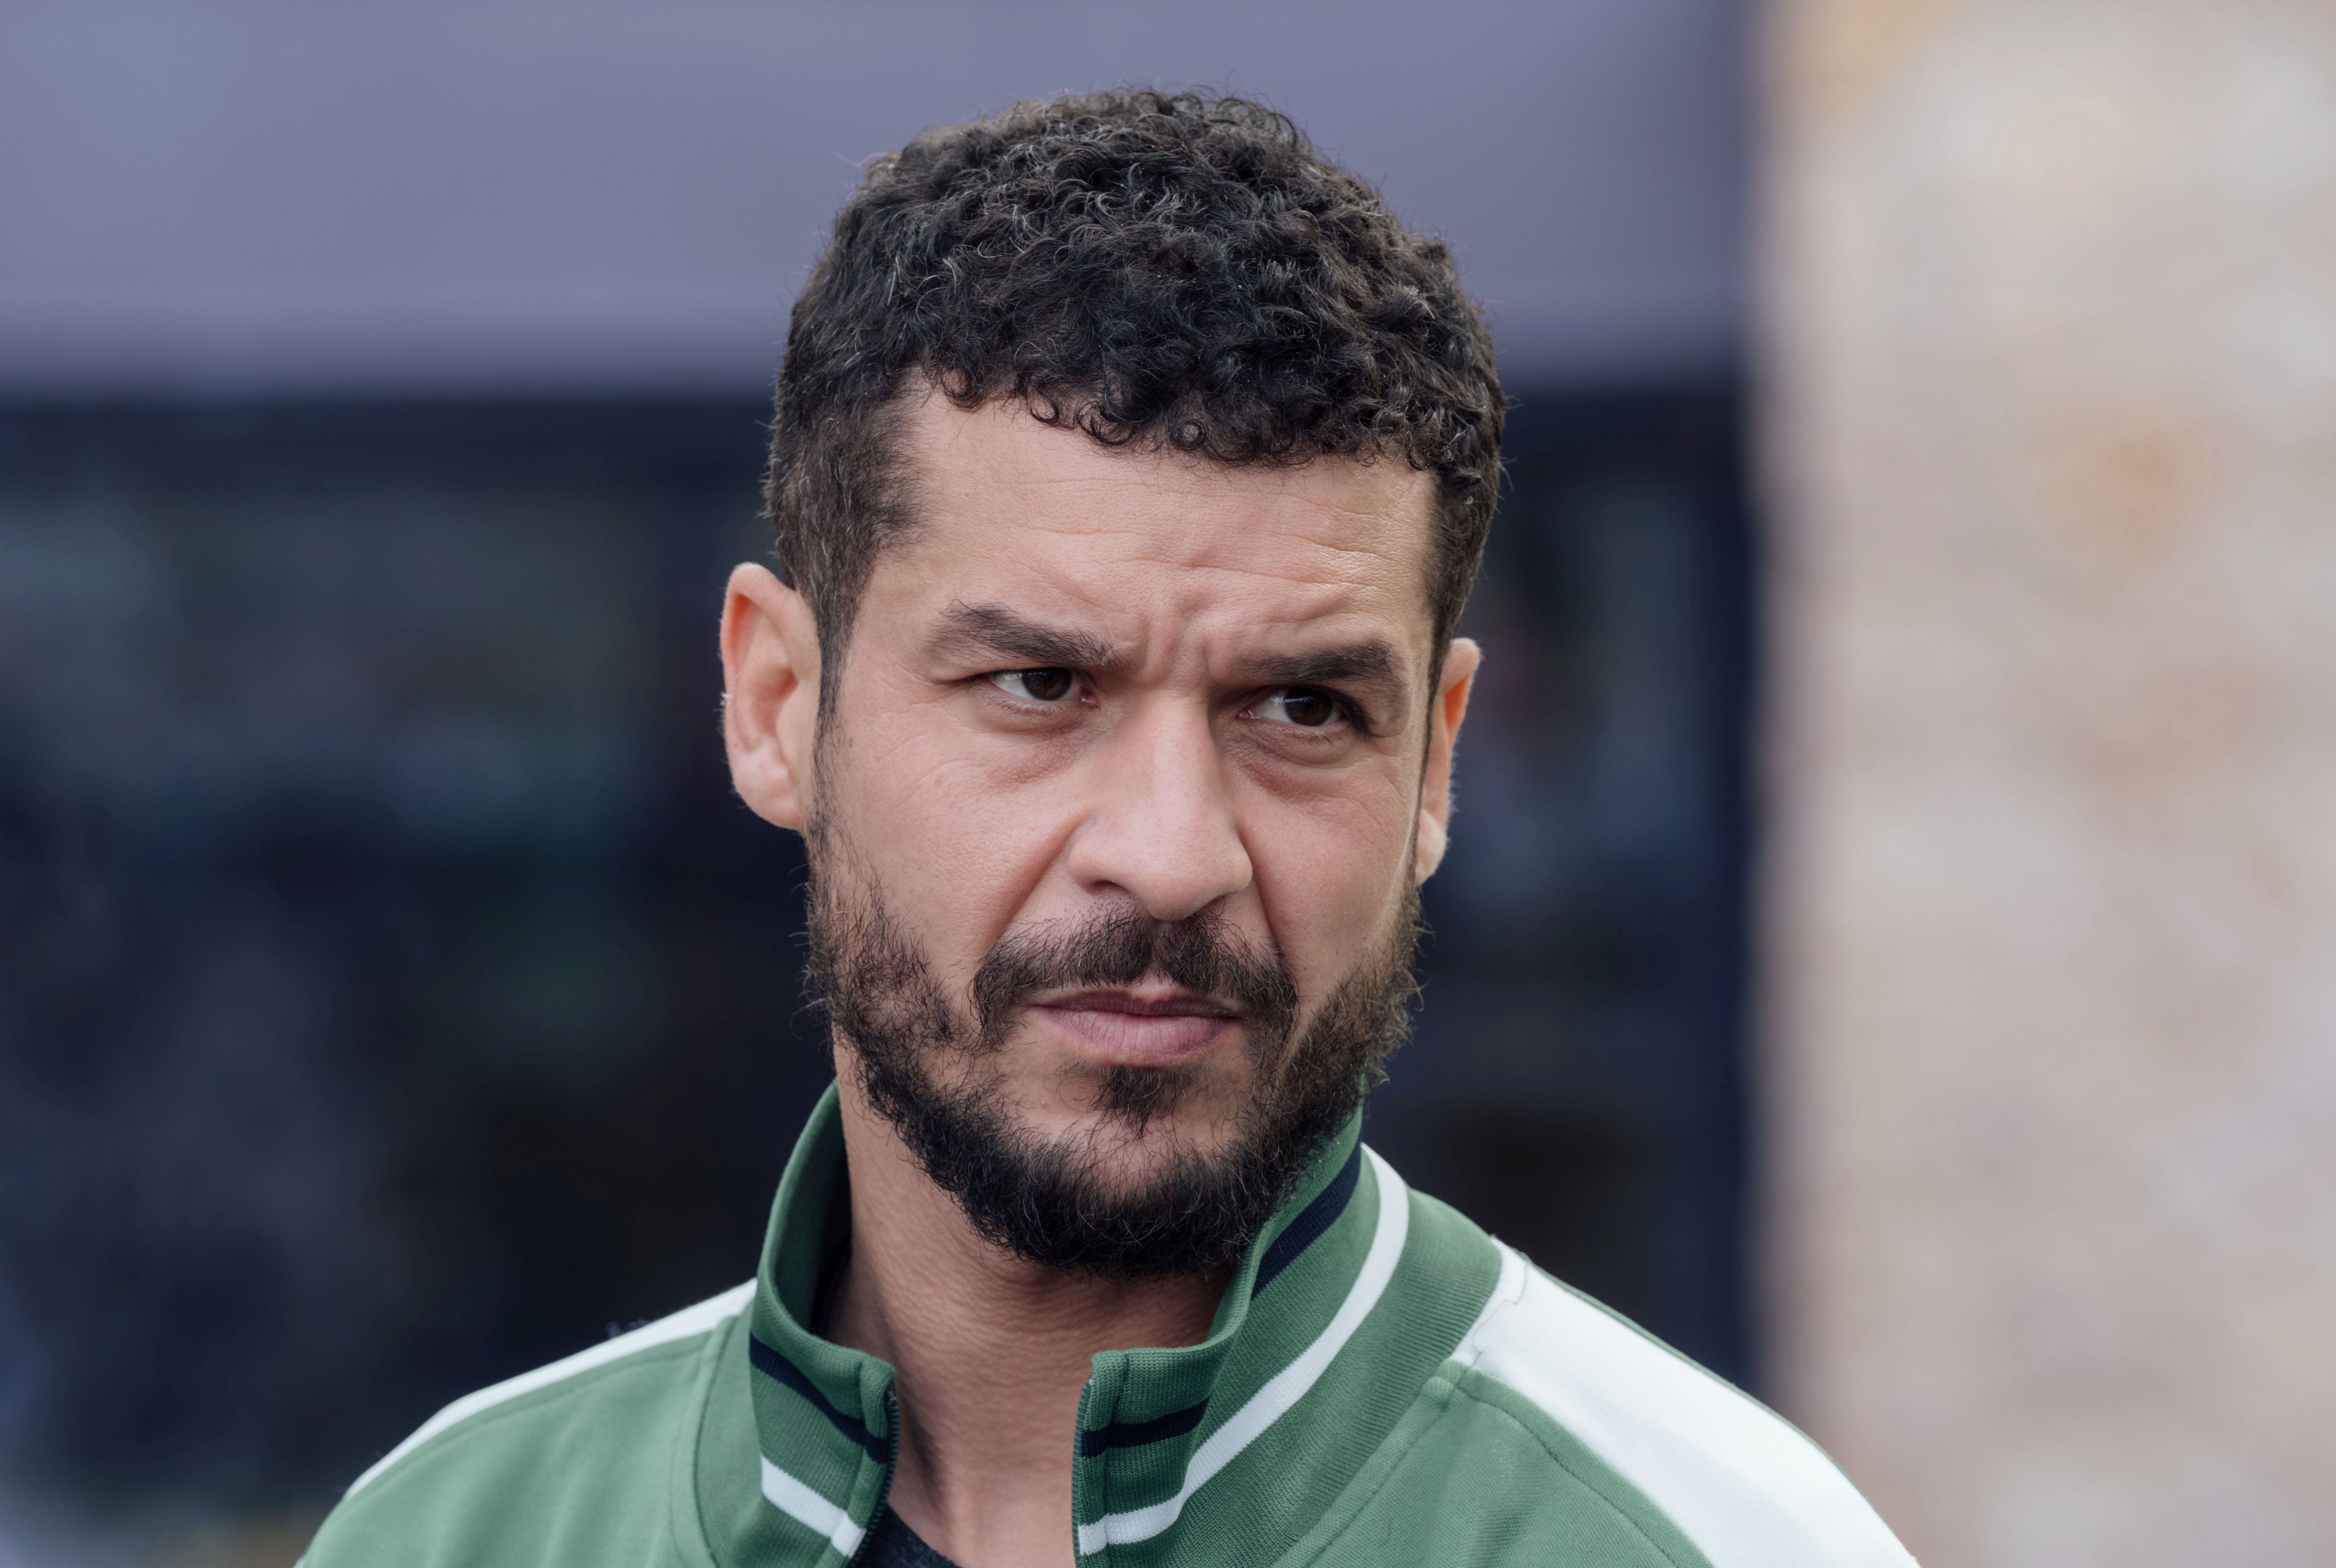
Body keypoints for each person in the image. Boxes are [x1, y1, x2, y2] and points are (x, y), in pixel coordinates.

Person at [303, 91, 1913, 1568]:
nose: (1171, 853)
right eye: (1039, 684)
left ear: (1435, 764)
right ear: (777, 704)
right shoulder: (456, 1538)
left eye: (1302, 708)